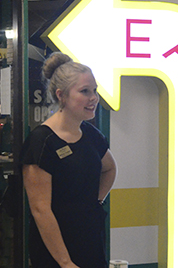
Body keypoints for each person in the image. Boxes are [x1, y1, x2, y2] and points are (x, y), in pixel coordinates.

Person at [20, 52, 117, 268]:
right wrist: (65, 262)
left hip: (90, 240)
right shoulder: (42, 142)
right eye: (84, 91)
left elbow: (109, 169)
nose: (93, 98)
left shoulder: (92, 135)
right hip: (55, 250)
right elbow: (40, 210)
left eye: (94, 91)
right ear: (61, 95)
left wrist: (95, 201)